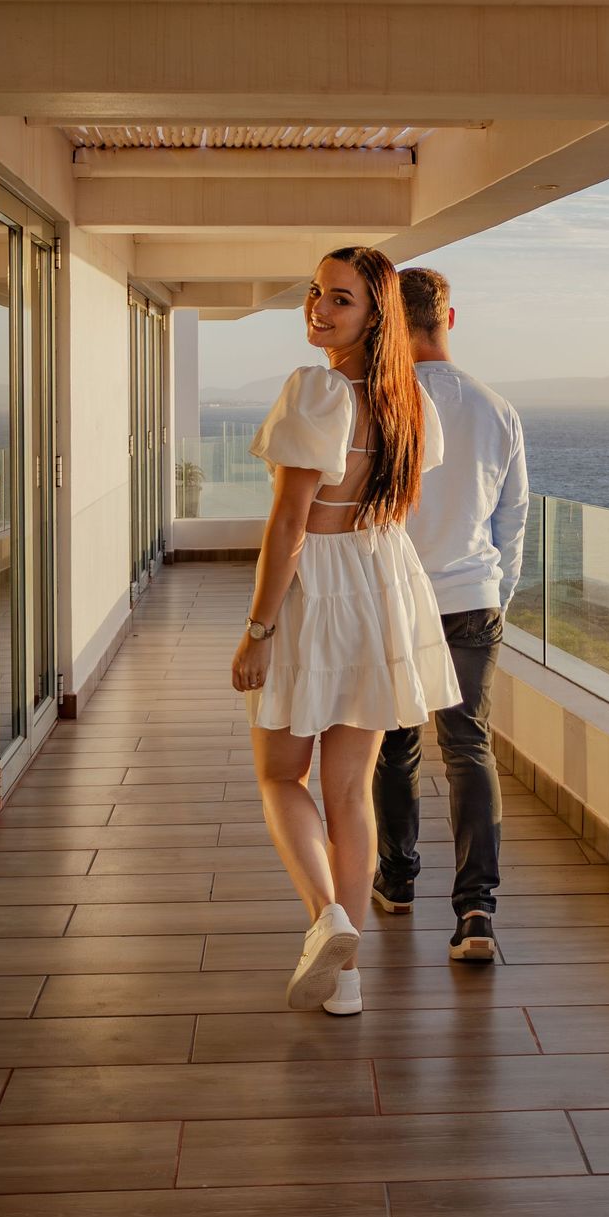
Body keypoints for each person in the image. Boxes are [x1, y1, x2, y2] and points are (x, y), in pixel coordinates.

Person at [230, 247, 460, 1017]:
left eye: (340, 300)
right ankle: (348, 982)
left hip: (319, 587)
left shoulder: (318, 390)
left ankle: (328, 919)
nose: (318, 309)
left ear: (374, 315)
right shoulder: (410, 402)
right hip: (381, 581)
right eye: (314, 293)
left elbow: (291, 522)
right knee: (350, 791)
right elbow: (402, 506)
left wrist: (260, 628)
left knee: (279, 775)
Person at [372, 266, 529, 963]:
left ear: (390, 325)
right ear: (449, 320)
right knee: (468, 747)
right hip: (473, 600)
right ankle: (476, 913)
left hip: (397, 601)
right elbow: (512, 523)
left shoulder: (378, 403)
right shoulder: (497, 409)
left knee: (396, 745)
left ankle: (398, 880)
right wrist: (499, 599)